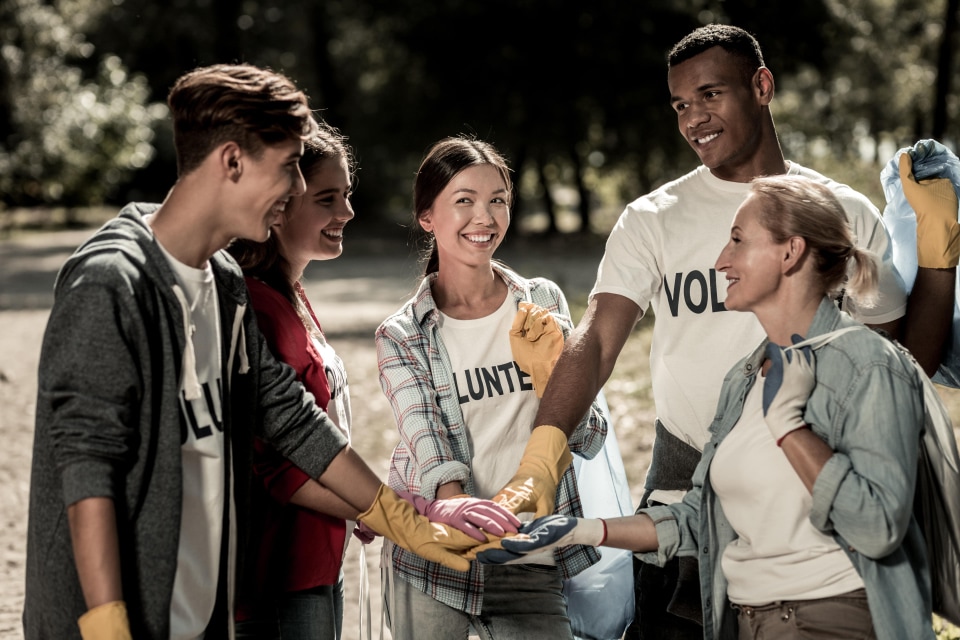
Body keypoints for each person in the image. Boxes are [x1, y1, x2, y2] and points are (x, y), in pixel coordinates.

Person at [494, 24, 958, 639]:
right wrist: (541, 460)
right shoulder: (654, 218)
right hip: (689, 470)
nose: (693, 119)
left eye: (710, 94)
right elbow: (600, 340)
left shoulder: (840, 213)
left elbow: (903, 362)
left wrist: (937, 260)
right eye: (681, 105)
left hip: (819, 476)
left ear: (761, 85)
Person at [22, 64, 515, 640]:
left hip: (200, 611)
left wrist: (409, 524)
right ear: (231, 161)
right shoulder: (112, 283)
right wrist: (107, 627)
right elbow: (86, 469)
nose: (297, 192)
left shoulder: (224, 282)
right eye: (288, 169)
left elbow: (293, 419)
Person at [374, 135, 608, 639]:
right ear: (427, 217)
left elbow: (589, 437)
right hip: (435, 565)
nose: (485, 216)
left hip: (530, 555)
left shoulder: (541, 301)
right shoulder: (402, 334)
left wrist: (552, 377)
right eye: (464, 201)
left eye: (497, 200)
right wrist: (461, 508)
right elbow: (429, 446)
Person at [225, 122, 360, 639]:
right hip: (280, 574)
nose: (346, 212)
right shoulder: (257, 306)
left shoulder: (291, 294)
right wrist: (376, 506)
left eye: (346, 195)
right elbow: (273, 463)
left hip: (319, 557)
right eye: (327, 199)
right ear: (281, 206)